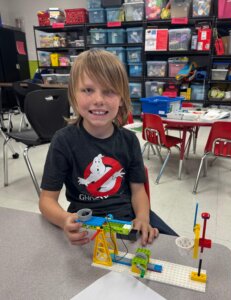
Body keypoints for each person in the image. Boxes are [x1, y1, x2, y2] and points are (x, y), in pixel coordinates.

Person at [39, 49, 177, 247]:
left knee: (175, 249)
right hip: (85, 224)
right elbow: (46, 200)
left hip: (128, 220)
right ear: (73, 95)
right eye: (88, 90)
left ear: (121, 98)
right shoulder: (63, 141)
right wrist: (64, 220)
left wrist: (143, 218)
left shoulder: (129, 141)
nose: (98, 100)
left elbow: (138, 190)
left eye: (109, 91)